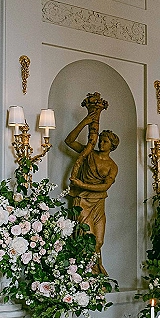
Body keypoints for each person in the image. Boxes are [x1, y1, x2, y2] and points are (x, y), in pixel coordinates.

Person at [65, 111, 119, 275]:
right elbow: (69, 141)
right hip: (83, 202)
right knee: (87, 238)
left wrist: (82, 184)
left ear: (112, 146)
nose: (101, 144)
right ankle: (86, 273)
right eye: (100, 140)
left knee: (99, 241)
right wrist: (85, 122)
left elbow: (104, 187)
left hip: (98, 204)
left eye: (105, 142)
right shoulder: (88, 153)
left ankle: (94, 270)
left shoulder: (112, 166)